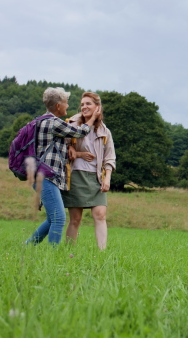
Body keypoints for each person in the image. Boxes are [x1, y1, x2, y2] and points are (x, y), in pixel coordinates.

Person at [25, 87, 102, 246]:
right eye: (66, 103)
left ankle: (27, 246)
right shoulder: (53, 123)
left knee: (51, 218)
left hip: (42, 176)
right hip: (45, 176)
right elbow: (80, 132)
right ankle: (53, 256)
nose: (68, 106)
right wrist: (92, 117)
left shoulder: (42, 120)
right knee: (59, 218)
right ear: (58, 105)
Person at [61, 92, 116, 250]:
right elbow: (62, 148)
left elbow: (110, 157)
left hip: (97, 178)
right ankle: (68, 252)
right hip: (76, 175)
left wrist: (107, 179)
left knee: (100, 215)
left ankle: (102, 253)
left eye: (88, 104)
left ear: (97, 107)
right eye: (82, 104)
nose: (84, 107)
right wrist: (75, 151)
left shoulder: (105, 132)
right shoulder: (72, 124)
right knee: (76, 219)